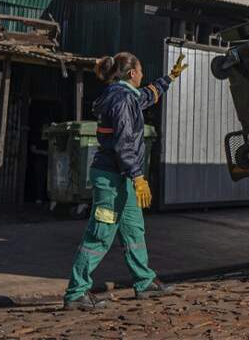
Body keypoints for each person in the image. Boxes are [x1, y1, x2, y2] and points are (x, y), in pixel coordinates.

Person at [63, 52, 188, 310]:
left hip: (120, 177)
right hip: (112, 179)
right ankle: (76, 292)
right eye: (141, 71)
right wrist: (138, 176)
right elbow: (123, 144)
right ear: (132, 74)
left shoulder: (125, 96)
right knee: (100, 234)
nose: (142, 76)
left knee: (133, 229)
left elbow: (148, 96)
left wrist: (169, 78)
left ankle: (144, 281)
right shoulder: (121, 101)